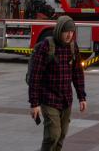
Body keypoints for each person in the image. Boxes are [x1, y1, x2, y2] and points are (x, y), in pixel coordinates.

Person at [28, 16, 87, 151]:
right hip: (49, 99)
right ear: (59, 30)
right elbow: (35, 76)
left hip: (66, 99)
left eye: (72, 32)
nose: (69, 35)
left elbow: (77, 73)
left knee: (61, 136)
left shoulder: (72, 47)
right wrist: (34, 104)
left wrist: (82, 97)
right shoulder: (46, 46)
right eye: (66, 32)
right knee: (53, 135)